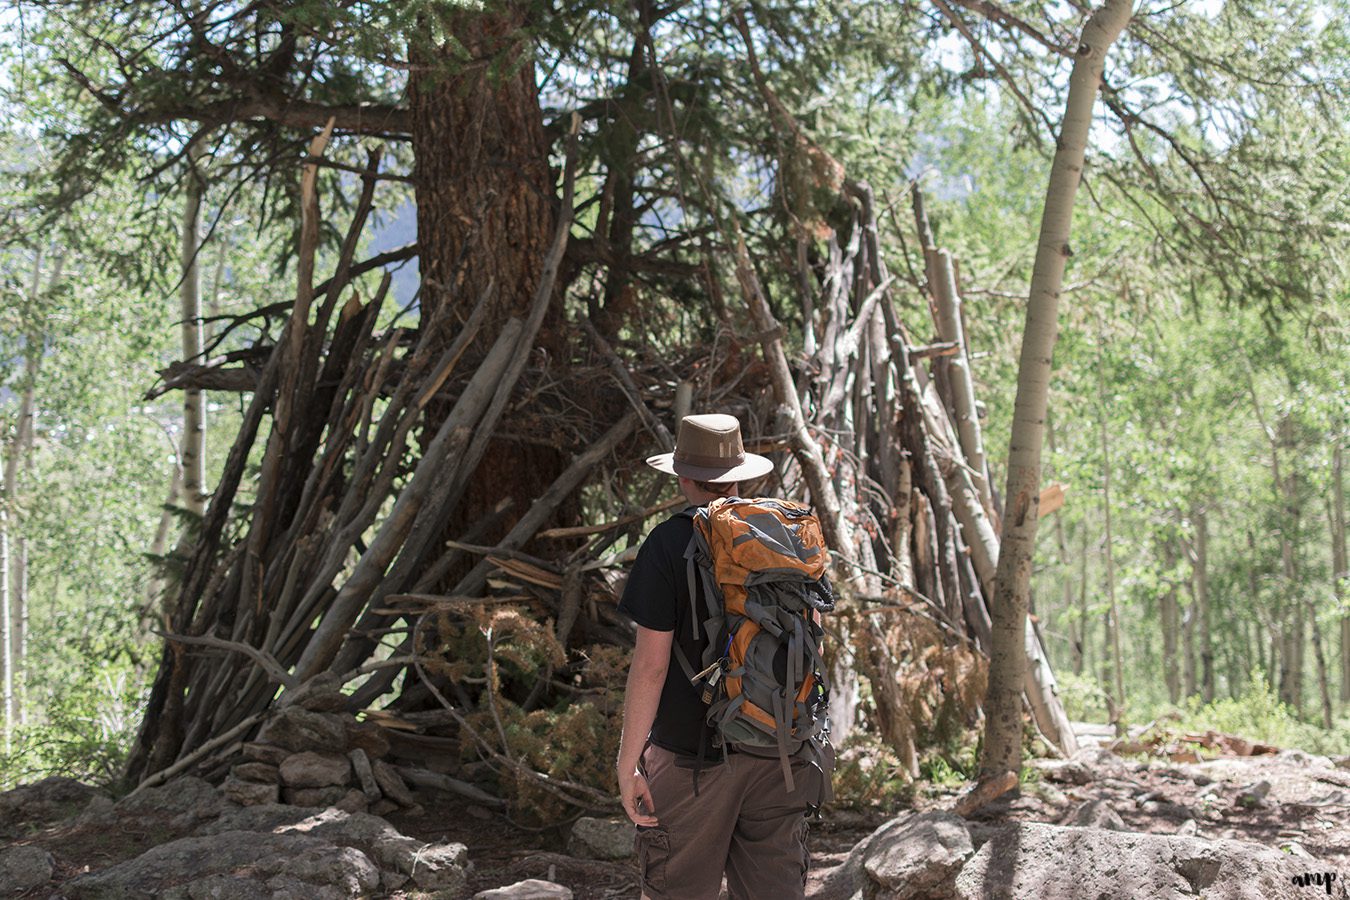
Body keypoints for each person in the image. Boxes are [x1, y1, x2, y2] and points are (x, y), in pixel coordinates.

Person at [616, 413, 827, 900]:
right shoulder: (789, 537)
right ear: (740, 475)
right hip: (780, 752)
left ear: (683, 476)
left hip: (692, 761)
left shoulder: (668, 543)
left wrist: (629, 763)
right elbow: (811, 642)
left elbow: (651, 667)